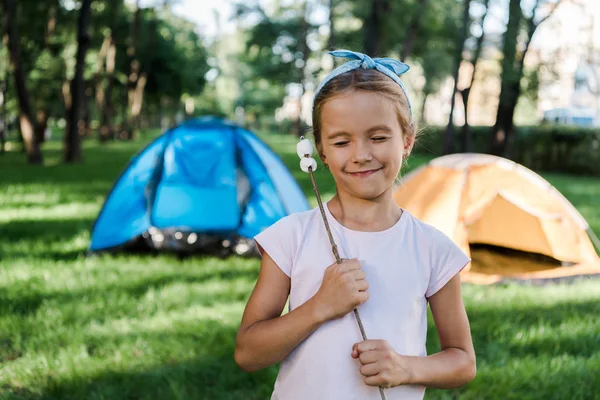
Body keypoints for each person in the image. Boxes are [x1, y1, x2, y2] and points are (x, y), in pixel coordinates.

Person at [234, 50, 476, 400]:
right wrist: (321, 305)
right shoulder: (290, 237)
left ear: (406, 140)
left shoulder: (433, 249)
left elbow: (463, 361)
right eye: (342, 141)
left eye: (378, 138)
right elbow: (248, 353)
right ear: (320, 150)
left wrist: (406, 367)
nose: (361, 154)